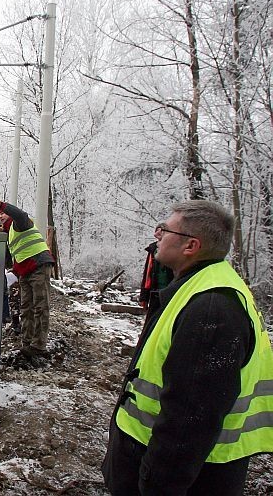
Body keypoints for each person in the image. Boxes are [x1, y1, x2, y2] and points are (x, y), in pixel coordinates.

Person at [102, 200, 273, 495]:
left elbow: (191, 417)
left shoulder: (211, 310)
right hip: (169, 465)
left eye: (165, 229)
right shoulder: (199, 286)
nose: (157, 234)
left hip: (188, 478)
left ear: (190, 246)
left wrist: (156, 484)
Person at [0, 194, 54, 356]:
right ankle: (27, 343)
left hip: (38, 265)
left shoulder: (21, 223)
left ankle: (38, 345)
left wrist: (1, 204)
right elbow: (13, 258)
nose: (0, 216)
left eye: (2, 213)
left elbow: (20, 214)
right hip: (25, 271)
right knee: (26, 307)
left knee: (40, 306)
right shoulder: (10, 234)